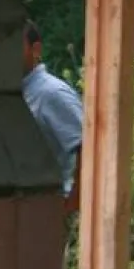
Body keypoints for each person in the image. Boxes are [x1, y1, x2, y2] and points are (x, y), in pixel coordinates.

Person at [21, 20, 85, 211]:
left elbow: (88, 147)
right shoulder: (9, 95)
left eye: (14, 45)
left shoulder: (51, 93)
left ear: (36, 49)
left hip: (49, 208)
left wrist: (72, 202)